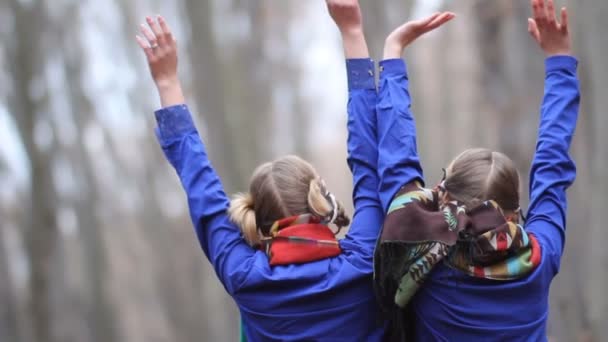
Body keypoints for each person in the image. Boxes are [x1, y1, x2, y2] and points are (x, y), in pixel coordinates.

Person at [133, 1, 427, 339]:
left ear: (257, 219)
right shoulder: (361, 261)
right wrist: (352, 33)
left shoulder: (245, 277)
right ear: (320, 199)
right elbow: (367, 164)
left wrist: (167, 82)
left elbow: (203, 191)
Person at [372, 0, 580, 340]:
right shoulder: (541, 256)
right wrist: (559, 63)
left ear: (445, 200)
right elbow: (552, 168)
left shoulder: (425, 257)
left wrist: (393, 55)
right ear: (515, 213)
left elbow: (397, 162)